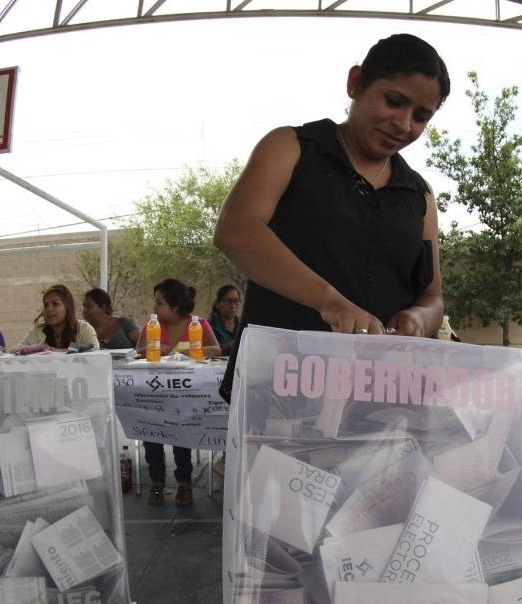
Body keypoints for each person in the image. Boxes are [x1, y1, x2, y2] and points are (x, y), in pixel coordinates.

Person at [213, 32, 448, 369]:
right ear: (356, 83)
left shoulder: (419, 194)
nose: (403, 124)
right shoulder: (290, 148)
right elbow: (235, 229)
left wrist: (419, 319)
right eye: (394, 101)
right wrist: (333, 304)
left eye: (421, 116)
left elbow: (432, 297)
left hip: (381, 390)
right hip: (282, 386)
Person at [133, 277, 221, 507]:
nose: (154, 307)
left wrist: (190, 351)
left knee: (182, 438)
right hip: (153, 394)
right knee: (152, 439)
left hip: (184, 395)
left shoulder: (198, 324)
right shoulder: (151, 326)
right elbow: (137, 353)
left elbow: (216, 349)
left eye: (159, 303)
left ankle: (184, 484)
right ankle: (157, 483)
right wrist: (152, 349)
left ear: (175, 306)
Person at [19, 284, 99, 352]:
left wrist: (51, 350)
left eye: (55, 304)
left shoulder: (83, 328)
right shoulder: (38, 329)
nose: (49, 309)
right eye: (46, 305)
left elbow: (94, 351)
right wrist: (33, 348)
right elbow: (16, 350)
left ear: (68, 307)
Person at [207, 284, 243, 356]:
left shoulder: (243, 324)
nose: (233, 306)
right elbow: (212, 350)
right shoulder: (209, 325)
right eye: (228, 301)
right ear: (217, 304)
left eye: (236, 301)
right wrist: (236, 344)